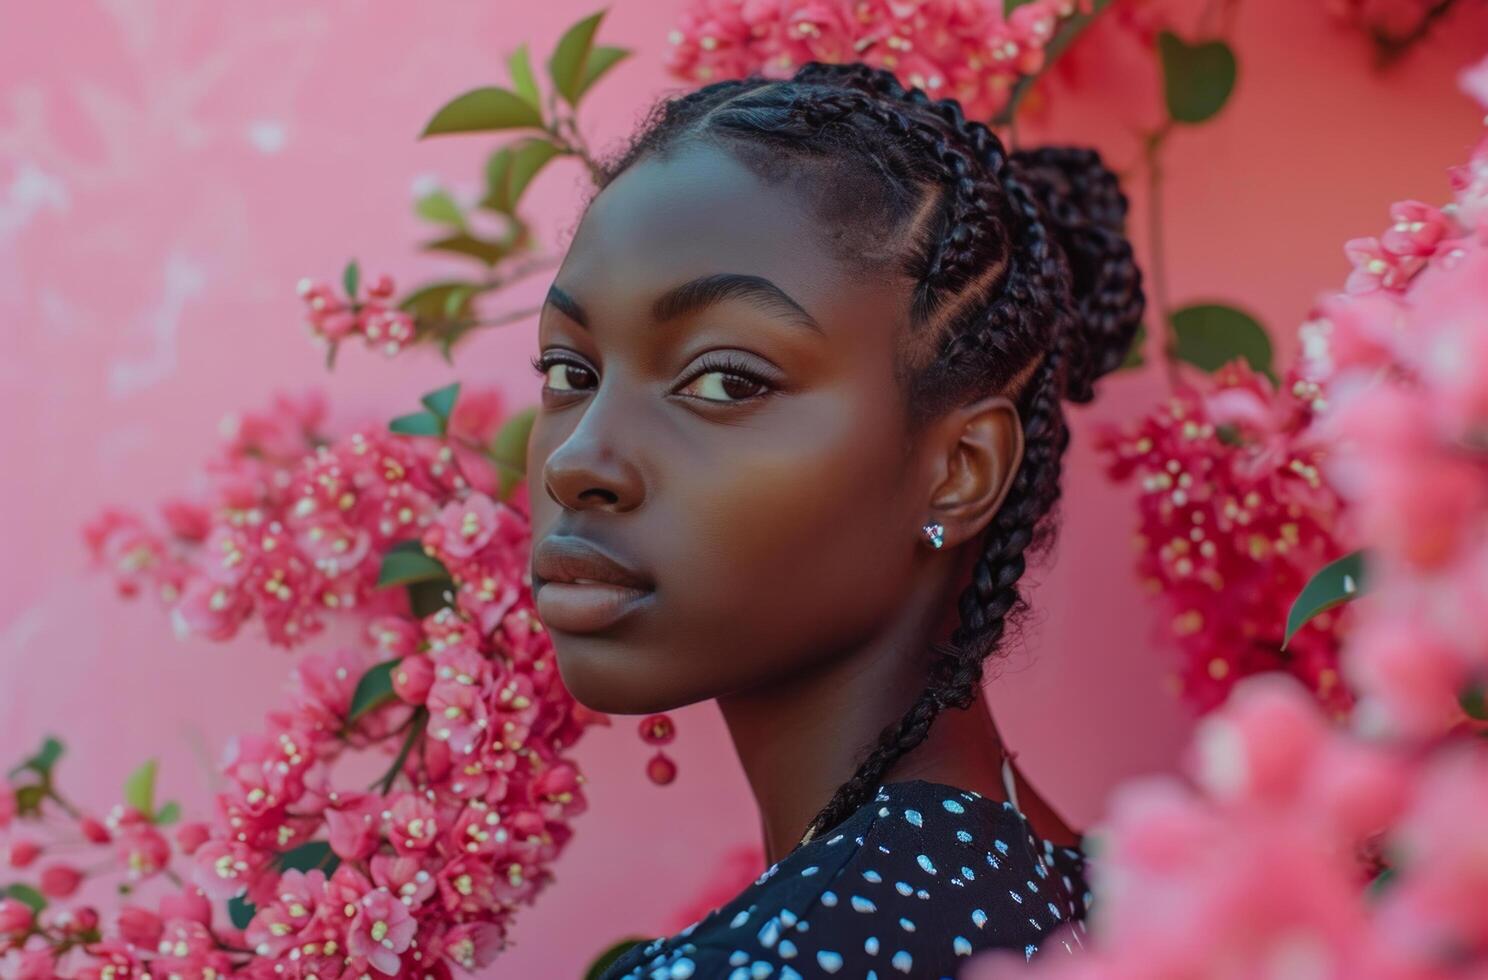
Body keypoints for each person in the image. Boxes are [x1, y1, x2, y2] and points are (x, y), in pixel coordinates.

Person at [524, 59, 1143, 978]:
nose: (580, 463)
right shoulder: (1095, 894)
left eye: (725, 380)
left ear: (958, 472)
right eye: (571, 374)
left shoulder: (784, 958)